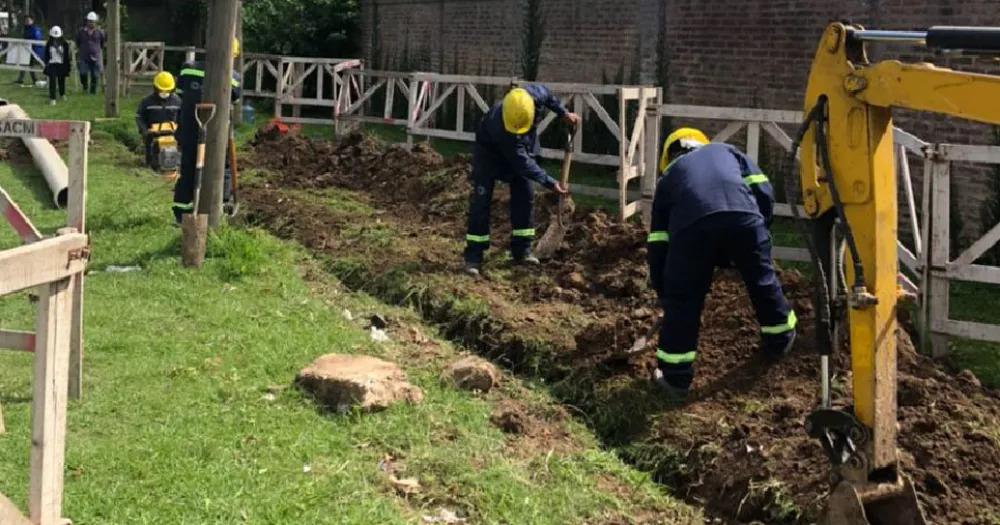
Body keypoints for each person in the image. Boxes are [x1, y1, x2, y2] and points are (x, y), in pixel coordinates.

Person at [646, 128, 797, 397]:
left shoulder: (669, 178)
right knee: (761, 279)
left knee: (684, 301)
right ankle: (781, 338)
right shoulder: (728, 152)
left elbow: (659, 241)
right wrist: (758, 229)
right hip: (745, 220)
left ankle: (675, 378)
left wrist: (665, 291)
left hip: (692, 232)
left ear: (668, 157)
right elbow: (763, 189)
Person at [462, 85, 581, 275]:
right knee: (481, 203)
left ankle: (522, 251)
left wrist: (563, 113)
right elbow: (522, 163)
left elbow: (549, 96)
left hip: (523, 147)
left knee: (525, 197)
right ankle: (473, 257)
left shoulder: (533, 95)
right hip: (490, 156)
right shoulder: (498, 126)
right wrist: (550, 183)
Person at [171, 38, 242, 223]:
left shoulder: (187, 69)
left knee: (188, 167)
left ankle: (182, 211)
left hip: (187, 127)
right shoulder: (234, 78)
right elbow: (233, 102)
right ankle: (219, 207)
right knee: (220, 168)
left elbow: (180, 97)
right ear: (232, 56)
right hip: (216, 132)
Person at [136, 72, 182, 166]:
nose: (164, 93)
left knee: (173, 159)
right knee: (152, 158)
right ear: (155, 88)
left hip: (172, 135)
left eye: (167, 90)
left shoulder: (177, 101)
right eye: (161, 90)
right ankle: (150, 165)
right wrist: (144, 130)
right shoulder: (147, 102)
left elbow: (182, 117)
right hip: (152, 135)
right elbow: (139, 116)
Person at [75, 11, 105, 95]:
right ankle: (85, 86)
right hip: (84, 56)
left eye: (92, 21)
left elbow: (102, 43)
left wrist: (97, 50)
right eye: (89, 21)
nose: (91, 23)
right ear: (87, 21)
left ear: (95, 22)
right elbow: (78, 41)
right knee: (83, 73)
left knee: (95, 76)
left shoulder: (100, 32)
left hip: (96, 56)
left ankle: (92, 92)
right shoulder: (81, 31)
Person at [42, 26, 70, 105]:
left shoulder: (64, 44)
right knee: (52, 81)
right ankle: (52, 98)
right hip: (52, 64)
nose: (56, 38)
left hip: (61, 64)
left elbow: (66, 55)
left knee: (61, 80)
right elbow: (46, 54)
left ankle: (62, 94)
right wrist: (46, 63)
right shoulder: (49, 43)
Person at [13, 16, 42, 86]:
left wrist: (34, 49)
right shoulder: (25, 29)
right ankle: (21, 79)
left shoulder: (35, 29)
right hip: (26, 49)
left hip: (33, 49)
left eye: (28, 20)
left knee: (31, 65)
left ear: (32, 21)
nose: (27, 22)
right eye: (26, 20)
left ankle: (35, 80)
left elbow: (37, 39)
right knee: (24, 63)